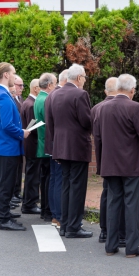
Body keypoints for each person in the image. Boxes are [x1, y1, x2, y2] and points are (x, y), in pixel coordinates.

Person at [94, 74, 139, 257]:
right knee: (131, 204)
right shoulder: (135, 107)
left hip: (110, 163)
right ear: (132, 90)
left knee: (113, 203)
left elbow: (99, 138)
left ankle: (111, 246)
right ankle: (132, 247)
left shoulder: (103, 108)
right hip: (131, 164)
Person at [47, 64, 93, 238]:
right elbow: (86, 121)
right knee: (77, 187)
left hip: (60, 145)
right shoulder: (80, 94)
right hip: (77, 146)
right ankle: (74, 226)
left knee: (65, 185)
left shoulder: (54, 94)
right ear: (79, 78)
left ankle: (65, 224)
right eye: (85, 77)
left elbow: (50, 122)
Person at [0, 62, 30, 231]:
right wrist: (22, 133)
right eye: (13, 73)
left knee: (0, 182)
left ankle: (2, 214)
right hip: (7, 147)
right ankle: (4, 219)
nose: (14, 76)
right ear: (6, 75)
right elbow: (7, 125)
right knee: (5, 184)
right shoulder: (4, 96)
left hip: (1, 146)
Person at [91, 77, 126, 247]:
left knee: (108, 195)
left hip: (106, 158)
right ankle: (120, 233)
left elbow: (96, 138)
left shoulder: (97, 108)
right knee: (121, 196)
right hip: (124, 161)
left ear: (106, 91)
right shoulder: (128, 106)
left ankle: (105, 231)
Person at [30, 73, 57, 221]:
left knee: (45, 178)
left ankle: (45, 210)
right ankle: (47, 210)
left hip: (41, 144)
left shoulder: (39, 98)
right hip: (46, 144)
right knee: (48, 179)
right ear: (49, 85)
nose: (56, 86)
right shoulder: (46, 99)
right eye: (55, 83)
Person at [45, 69, 68, 228]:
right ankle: (59, 215)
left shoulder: (51, 95)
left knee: (54, 179)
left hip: (51, 144)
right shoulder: (60, 95)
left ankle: (55, 214)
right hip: (59, 145)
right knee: (59, 179)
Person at [20, 79, 41, 214]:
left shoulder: (27, 102)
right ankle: (29, 203)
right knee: (33, 175)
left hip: (30, 144)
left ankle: (29, 202)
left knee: (31, 173)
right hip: (32, 144)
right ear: (35, 88)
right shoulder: (31, 104)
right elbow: (31, 126)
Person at [12, 75, 25, 205]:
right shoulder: (10, 99)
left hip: (20, 140)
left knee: (18, 167)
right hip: (14, 139)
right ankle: (12, 194)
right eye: (19, 85)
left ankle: (16, 192)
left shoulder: (20, 99)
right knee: (12, 170)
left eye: (22, 85)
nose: (21, 88)